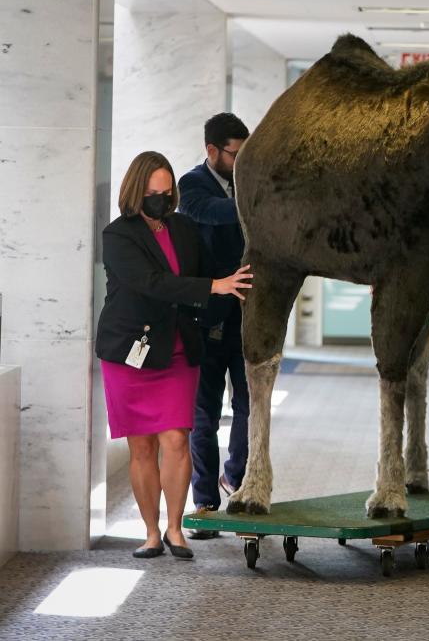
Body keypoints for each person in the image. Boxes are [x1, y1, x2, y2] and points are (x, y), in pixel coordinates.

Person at [96, 151, 253, 559]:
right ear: (136, 192)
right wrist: (211, 287)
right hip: (130, 352)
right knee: (142, 447)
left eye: (168, 194)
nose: (162, 201)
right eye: (153, 194)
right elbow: (152, 283)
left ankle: (175, 529)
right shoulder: (117, 236)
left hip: (178, 350)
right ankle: (150, 533)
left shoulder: (183, 228)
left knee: (176, 438)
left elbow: (208, 268)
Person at [177, 112, 250, 538]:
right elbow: (213, 213)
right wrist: (258, 198)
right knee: (204, 415)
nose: (241, 163)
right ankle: (204, 501)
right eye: (235, 155)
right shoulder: (191, 185)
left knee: (248, 406)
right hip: (205, 318)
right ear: (211, 151)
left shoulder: (244, 182)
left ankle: (236, 479)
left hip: (246, 315)